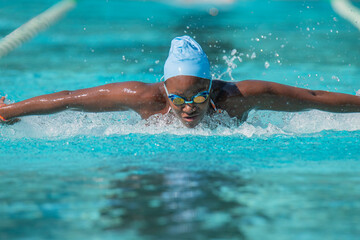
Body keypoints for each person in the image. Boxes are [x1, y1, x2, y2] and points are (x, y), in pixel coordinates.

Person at [1, 35, 360, 128]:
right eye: (179, 99)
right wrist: (10, 111)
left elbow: (312, 96)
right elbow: (69, 98)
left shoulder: (236, 97)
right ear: (165, 92)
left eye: (199, 98)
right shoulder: (144, 98)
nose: (189, 108)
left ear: (212, 88)